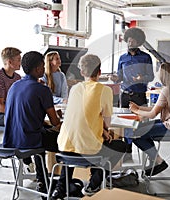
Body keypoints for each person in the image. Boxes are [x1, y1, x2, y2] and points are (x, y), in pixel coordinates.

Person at [51, 54, 126, 199]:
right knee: (119, 145)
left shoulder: (75, 89)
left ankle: (60, 188)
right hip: (89, 152)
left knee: (75, 143)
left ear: (82, 72)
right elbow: (107, 123)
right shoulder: (104, 90)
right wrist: (105, 130)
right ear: (99, 72)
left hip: (63, 148)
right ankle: (94, 183)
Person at [2, 51, 61, 196]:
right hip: (31, 140)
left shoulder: (14, 86)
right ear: (37, 69)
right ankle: (61, 184)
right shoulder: (42, 89)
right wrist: (57, 116)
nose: (44, 68)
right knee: (66, 142)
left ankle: (43, 181)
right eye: (42, 65)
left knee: (40, 133)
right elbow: (55, 122)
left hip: (11, 140)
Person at [129, 62, 170, 176]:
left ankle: (158, 160)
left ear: (164, 75)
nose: (157, 73)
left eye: (159, 71)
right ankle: (154, 160)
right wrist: (139, 108)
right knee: (140, 128)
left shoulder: (166, 90)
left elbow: (152, 114)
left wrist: (136, 111)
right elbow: (156, 108)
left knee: (135, 133)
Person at [110, 27, 154, 161]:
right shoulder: (122, 58)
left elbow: (151, 76)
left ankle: (147, 154)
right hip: (125, 95)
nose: (130, 44)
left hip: (139, 95)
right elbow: (120, 76)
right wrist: (115, 78)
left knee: (139, 126)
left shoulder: (146, 57)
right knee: (124, 124)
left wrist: (142, 78)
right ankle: (127, 153)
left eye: (133, 42)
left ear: (138, 42)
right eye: (129, 41)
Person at [0, 47, 21, 126]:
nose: (21, 62)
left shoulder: (17, 77)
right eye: (19, 59)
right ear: (10, 62)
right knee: (23, 120)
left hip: (10, 110)